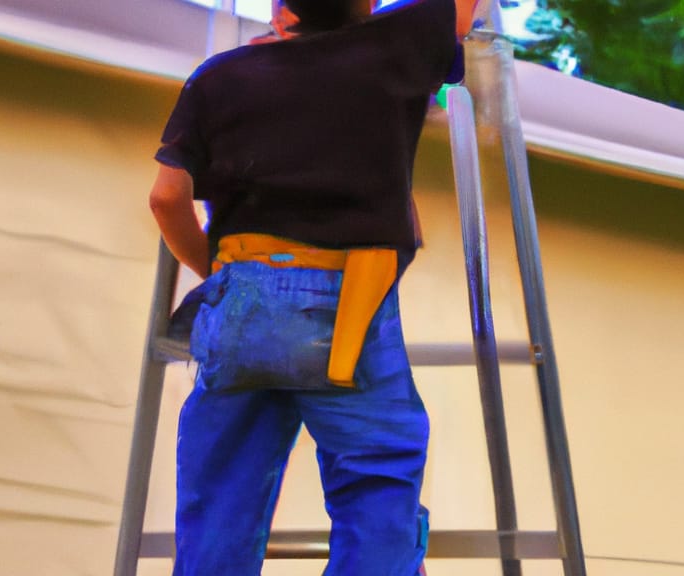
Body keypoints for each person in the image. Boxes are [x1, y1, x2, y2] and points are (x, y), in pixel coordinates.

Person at [149, 0, 477, 573]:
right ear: (369, 3)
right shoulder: (392, 46)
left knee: (219, 503)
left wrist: (222, 273)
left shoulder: (218, 76)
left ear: (280, 9)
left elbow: (167, 198)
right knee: (376, 492)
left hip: (241, 296)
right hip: (348, 302)